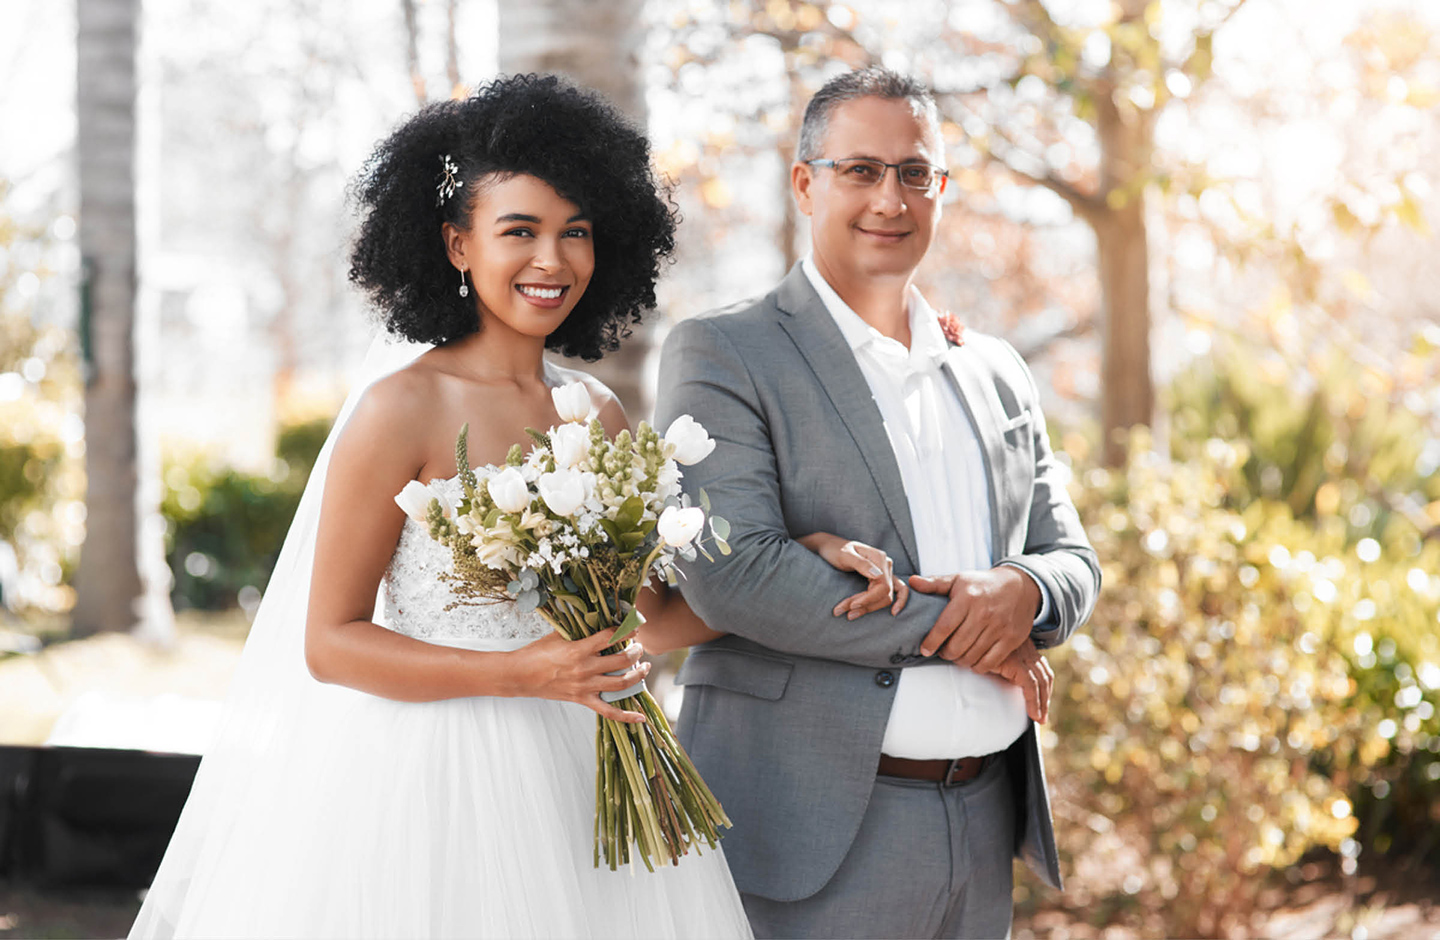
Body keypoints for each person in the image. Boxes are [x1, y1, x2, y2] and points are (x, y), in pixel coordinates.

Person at [131, 74, 758, 940]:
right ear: (458, 245)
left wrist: (789, 574)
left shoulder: (596, 411)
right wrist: (524, 674)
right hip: (434, 783)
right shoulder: (402, 407)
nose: (553, 260)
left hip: (588, 772)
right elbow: (330, 643)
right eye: (520, 232)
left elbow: (639, 619)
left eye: (575, 232)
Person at [654, 67, 1102, 939]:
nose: (889, 198)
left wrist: (1024, 597)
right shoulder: (725, 351)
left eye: (914, 172)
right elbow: (734, 572)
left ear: (940, 188)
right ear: (805, 183)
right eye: (860, 170)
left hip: (982, 822)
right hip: (811, 827)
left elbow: (1071, 560)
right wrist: (973, 634)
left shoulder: (997, 370)